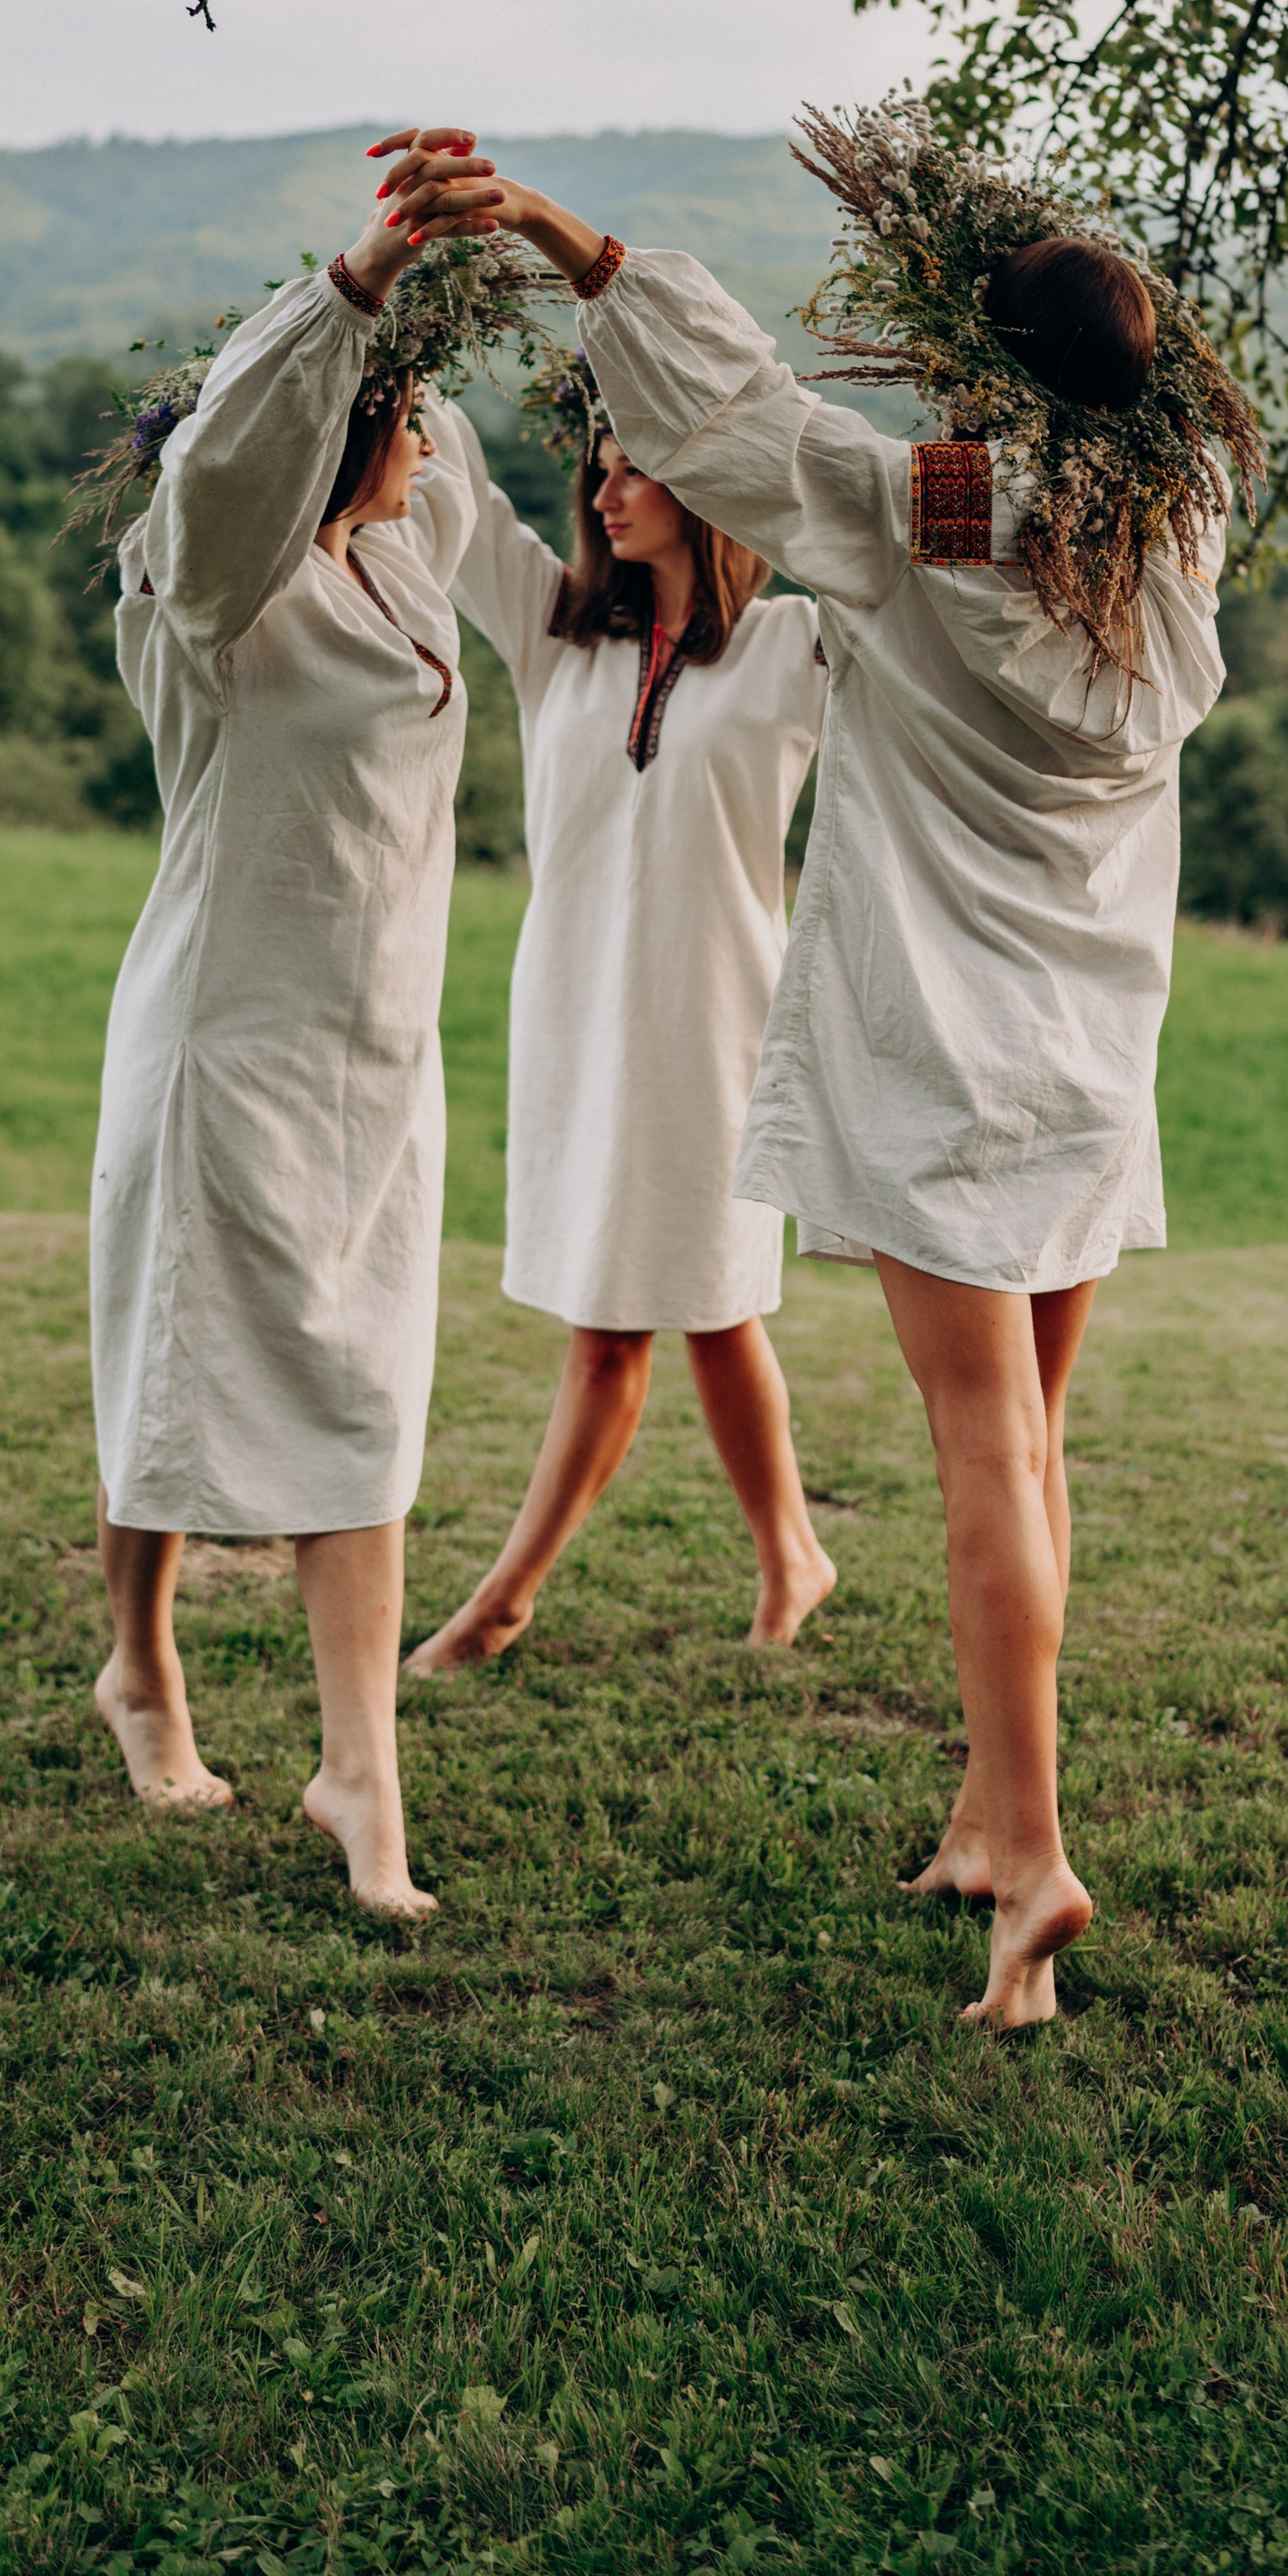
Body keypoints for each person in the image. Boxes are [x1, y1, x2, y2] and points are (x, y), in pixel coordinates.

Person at [375, 113, 1249, 2023]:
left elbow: (735, 413)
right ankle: (978, 1802)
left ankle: (1030, 1850)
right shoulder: (1168, 552)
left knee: (976, 1458)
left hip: (946, 1052)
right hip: (1093, 1056)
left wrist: (541, 222)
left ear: (974, 373)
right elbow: (1110, 420)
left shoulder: (933, 507)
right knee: (1034, 1445)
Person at [88, 135, 512, 1919]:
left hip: (370, 1054)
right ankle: (141, 1659)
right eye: (395, 417)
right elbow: (221, 476)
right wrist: (345, 287)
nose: (421, 439)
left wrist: (472, 256)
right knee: (176, 1381)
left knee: (361, 1390)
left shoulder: (405, 564)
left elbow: (461, 478)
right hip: (225, 1043)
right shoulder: (212, 598)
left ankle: (359, 1771)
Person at [406, 361, 835, 1676]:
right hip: (579, 1017)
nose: (604, 485)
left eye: (635, 461)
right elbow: (463, 503)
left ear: (707, 484)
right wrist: (401, 350)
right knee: (704, 1312)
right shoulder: (559, 635)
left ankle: (503, 1596)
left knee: (634, 1318)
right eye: (598, 461)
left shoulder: (790, 646)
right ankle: (794, 1554)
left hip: (713, 1030)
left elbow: (908, 585)